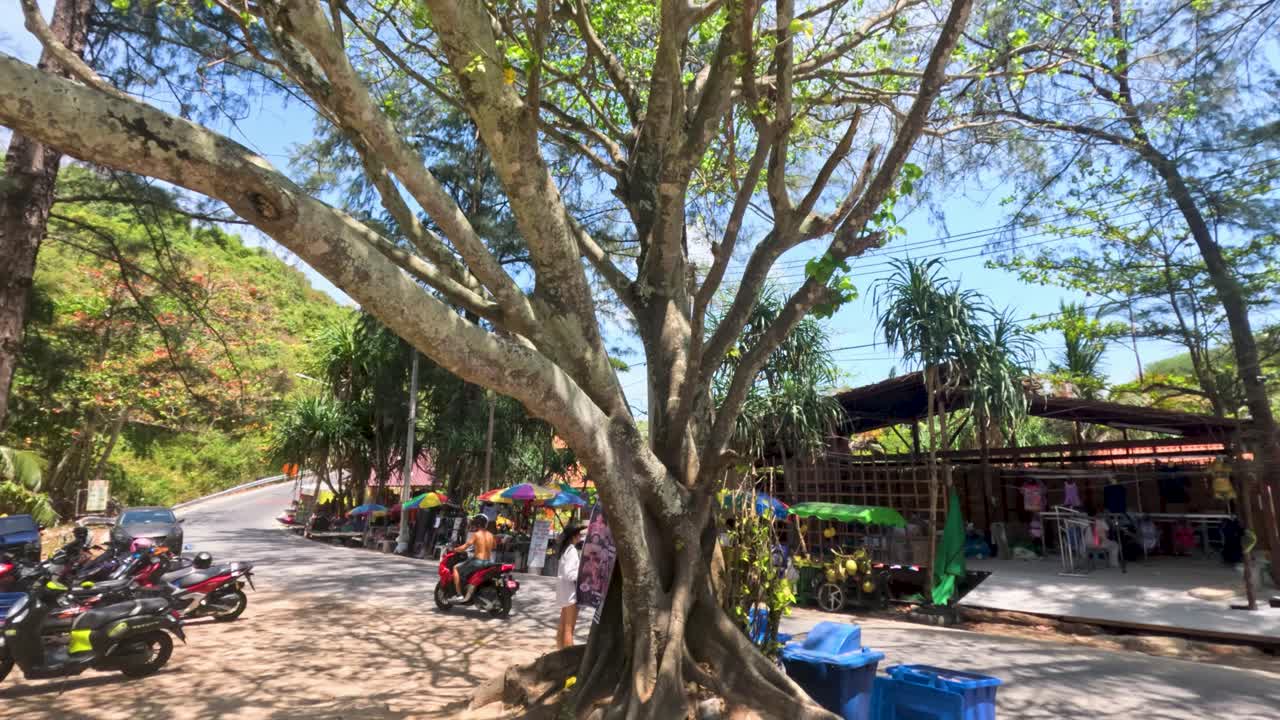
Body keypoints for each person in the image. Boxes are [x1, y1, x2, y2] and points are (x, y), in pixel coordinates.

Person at [555, 525, 585, 649]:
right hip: (570, 593)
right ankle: (568, 656)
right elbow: (569, 574)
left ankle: (560, 651)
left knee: (563, 625)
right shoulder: (571, 550)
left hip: (564, 592)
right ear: (573, 536)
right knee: (569, 628)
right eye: (578, 534)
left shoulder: (565, 549)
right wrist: (583, 575)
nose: (580, 536)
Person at [452, 515, 496, 599]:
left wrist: (454, 549)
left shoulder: (476, 534)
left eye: (475, 524)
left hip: (478, 562)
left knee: (456, 568)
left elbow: (464, 547)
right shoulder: (491, 535)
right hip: (488, 562)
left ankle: (459, 594)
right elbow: (493, 546)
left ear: (477, 524)